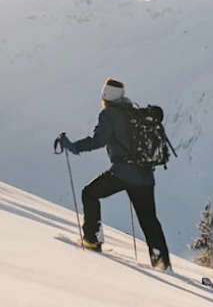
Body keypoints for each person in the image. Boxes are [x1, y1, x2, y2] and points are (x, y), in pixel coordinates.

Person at [54, 78, 172, 268]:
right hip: (145, 174)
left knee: (90, 193)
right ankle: (161, 262)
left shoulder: (109, 114)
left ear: (105, 95)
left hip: (123, 173)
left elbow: (98, 140)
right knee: (149, 219)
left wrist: (73, 146)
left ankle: (92, 240)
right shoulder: (133, 111)